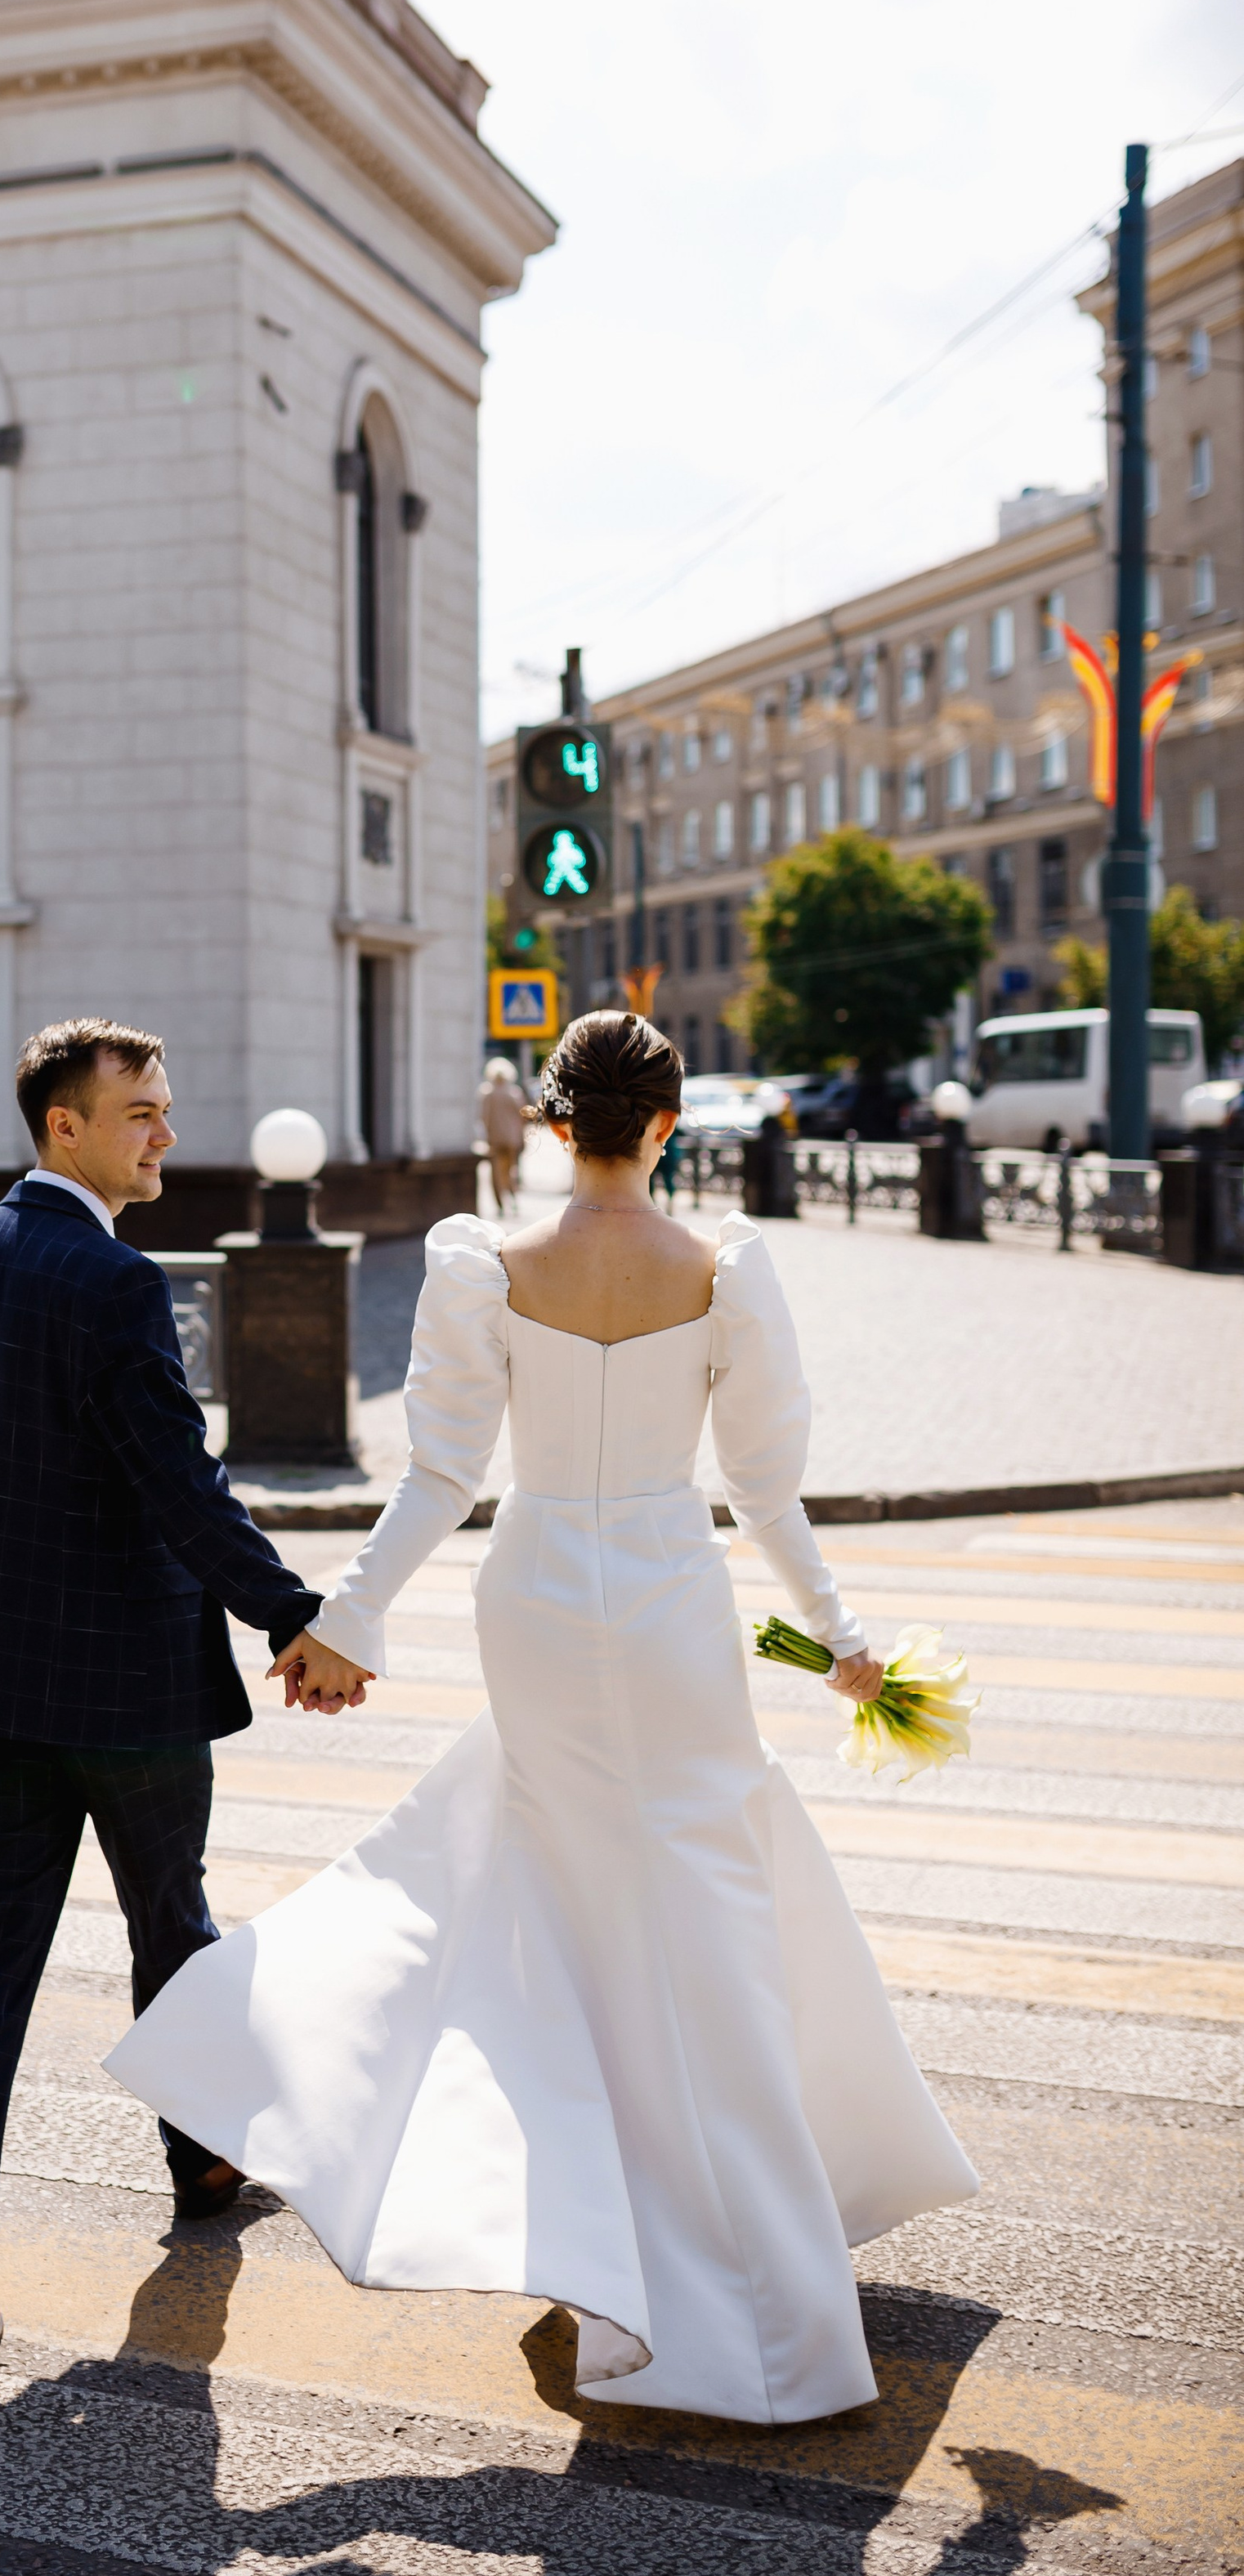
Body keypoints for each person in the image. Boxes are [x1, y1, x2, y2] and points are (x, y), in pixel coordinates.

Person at [110, 1008, 978, 2427]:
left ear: (558, 1124)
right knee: (706, 1915)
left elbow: (442, 1474)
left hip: (537, 1608)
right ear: (672, 1125)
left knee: (571, 1921)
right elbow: (765, 1491)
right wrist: (843, 1642)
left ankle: (602, 2242)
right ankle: (753, 2270)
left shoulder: (485, 1267)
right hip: (670, 1605)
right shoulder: (726, 1271)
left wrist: (350, 1614)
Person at [0, 1016, 369, 2372]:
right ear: (66, 1128)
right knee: (172, 1928)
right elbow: (179, 1484)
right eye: (142, 1111)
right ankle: (209, 2166)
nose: (166, 1131)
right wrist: (299, 1617)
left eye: (163, 1105)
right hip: (127, 1689)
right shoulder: (115, 1284)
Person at [476, 1055, 529, 1213]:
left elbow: (483, 1117)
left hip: (495, 1139)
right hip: (513, 1138)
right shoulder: (514, 1092)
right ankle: (513, 1198)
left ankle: (500, 1204)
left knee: (496, 1174)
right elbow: (523, 1116)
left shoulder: (487, 1092)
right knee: (512, 1170)